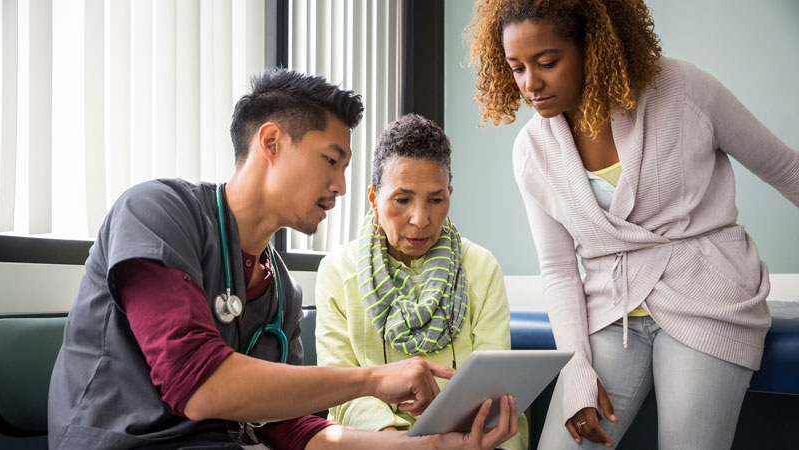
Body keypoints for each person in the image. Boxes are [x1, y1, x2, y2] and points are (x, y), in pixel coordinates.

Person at [47, 69, 518, 450]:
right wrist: (373, 379)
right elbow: (197, 384)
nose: (342, 186)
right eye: (331, 160)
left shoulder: (281, 291)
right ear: (271, 142)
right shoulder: (156, 212)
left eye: (346, 167)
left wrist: (424, 448)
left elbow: (289, 427)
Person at [466, 0, 799, 449]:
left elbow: (786, 170)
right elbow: (560, 270)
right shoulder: (531, 151)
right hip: (611, 312)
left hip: (708, 296)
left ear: (593, 45)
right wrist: (577, 368)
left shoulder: (683, 89)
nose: (531, 83)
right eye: (516, 67)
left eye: (547, 62)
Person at [314, 113, 528, 450]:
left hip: (474, 436)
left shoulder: (480, 266)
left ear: (449, 195)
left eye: (436, 200)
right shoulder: (338, 272)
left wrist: (455, 439)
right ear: (374, 198)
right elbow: (341, 392)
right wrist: (400, 443)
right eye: (402, 200)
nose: (421, 219)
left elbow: (491, 383)